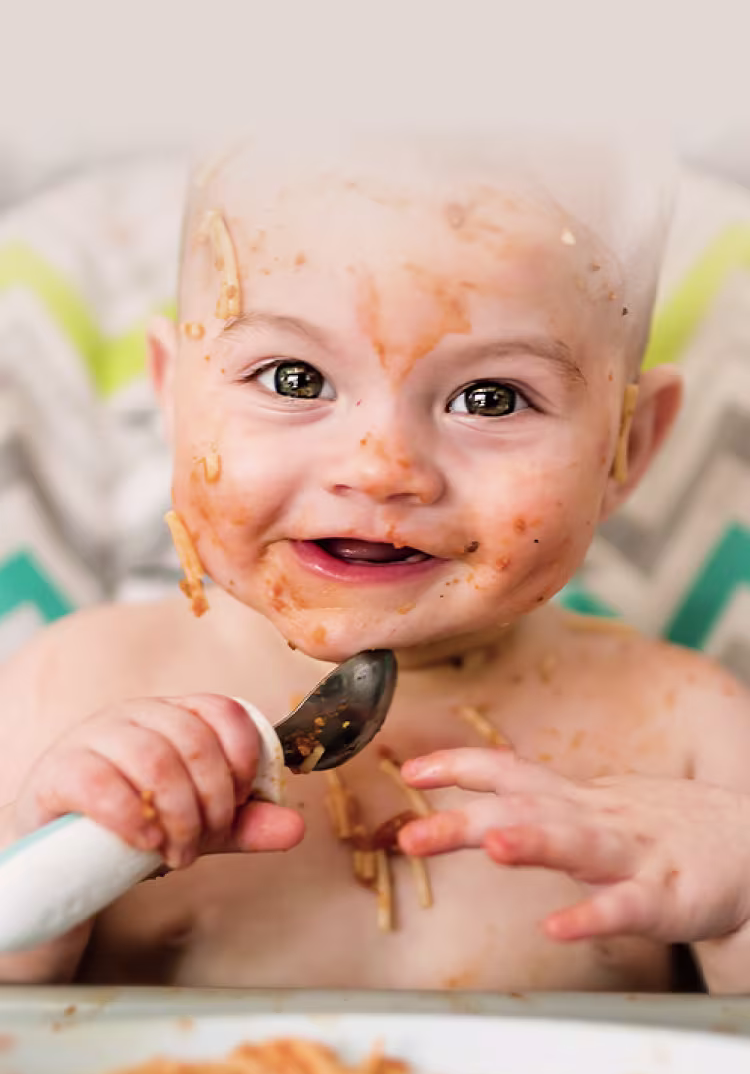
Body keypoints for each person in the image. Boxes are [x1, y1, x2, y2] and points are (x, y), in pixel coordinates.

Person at [1, 127, 749, 994]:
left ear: (625, 448)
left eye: (490, 398)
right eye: (292, 378)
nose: (380, 468)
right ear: (172, 395)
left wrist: (738, 899)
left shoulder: (690, 732)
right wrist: (46, 865)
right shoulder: (66, 691)